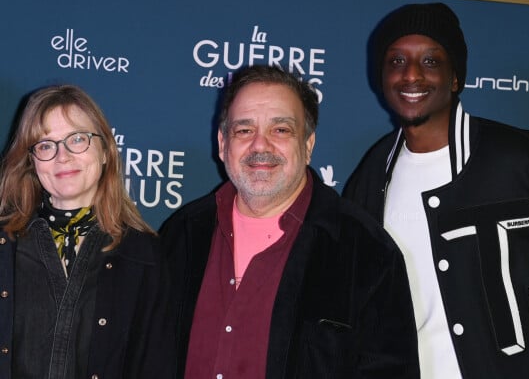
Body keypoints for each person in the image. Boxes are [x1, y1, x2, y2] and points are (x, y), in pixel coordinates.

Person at [343, 2, 529, 379]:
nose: (411, 76)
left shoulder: (528, 162)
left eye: (431, 61)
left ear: (456, 77)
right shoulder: (371, 178)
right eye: (397, 61)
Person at [160, 64, 419, 378]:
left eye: (280, 129)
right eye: (244, 130)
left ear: (308, 145)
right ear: (222, 143)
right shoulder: (181, 236)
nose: (260, 145)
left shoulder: (366, 252)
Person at [0, 84, 173, 378]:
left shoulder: (145, 257)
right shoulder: (5, 248)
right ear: (31, 162)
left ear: (105, 151)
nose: (62, 156)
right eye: (45, 145)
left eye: (77, 139)